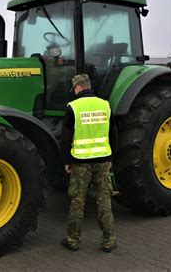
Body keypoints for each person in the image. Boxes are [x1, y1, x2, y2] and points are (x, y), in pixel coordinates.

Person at [60, 74, 117, 253]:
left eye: (74, 89)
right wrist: (110, 158)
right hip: (102, 161)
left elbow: (66, 138)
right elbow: (113, 134)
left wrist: (67, 161)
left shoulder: (73, 108)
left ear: (78, 87)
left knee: (78, 201)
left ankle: (73, 240)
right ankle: (108, 241)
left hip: (80, 163)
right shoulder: (105, 105)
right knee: (104, 201)